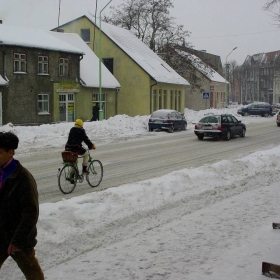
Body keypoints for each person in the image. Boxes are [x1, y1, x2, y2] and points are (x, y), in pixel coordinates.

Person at [0, 132, 44, 279]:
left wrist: (18, 241)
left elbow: (31, 213)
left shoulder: (22, 178)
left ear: (10, 152)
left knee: (33, 275)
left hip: (19, 238)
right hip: (0, 235)